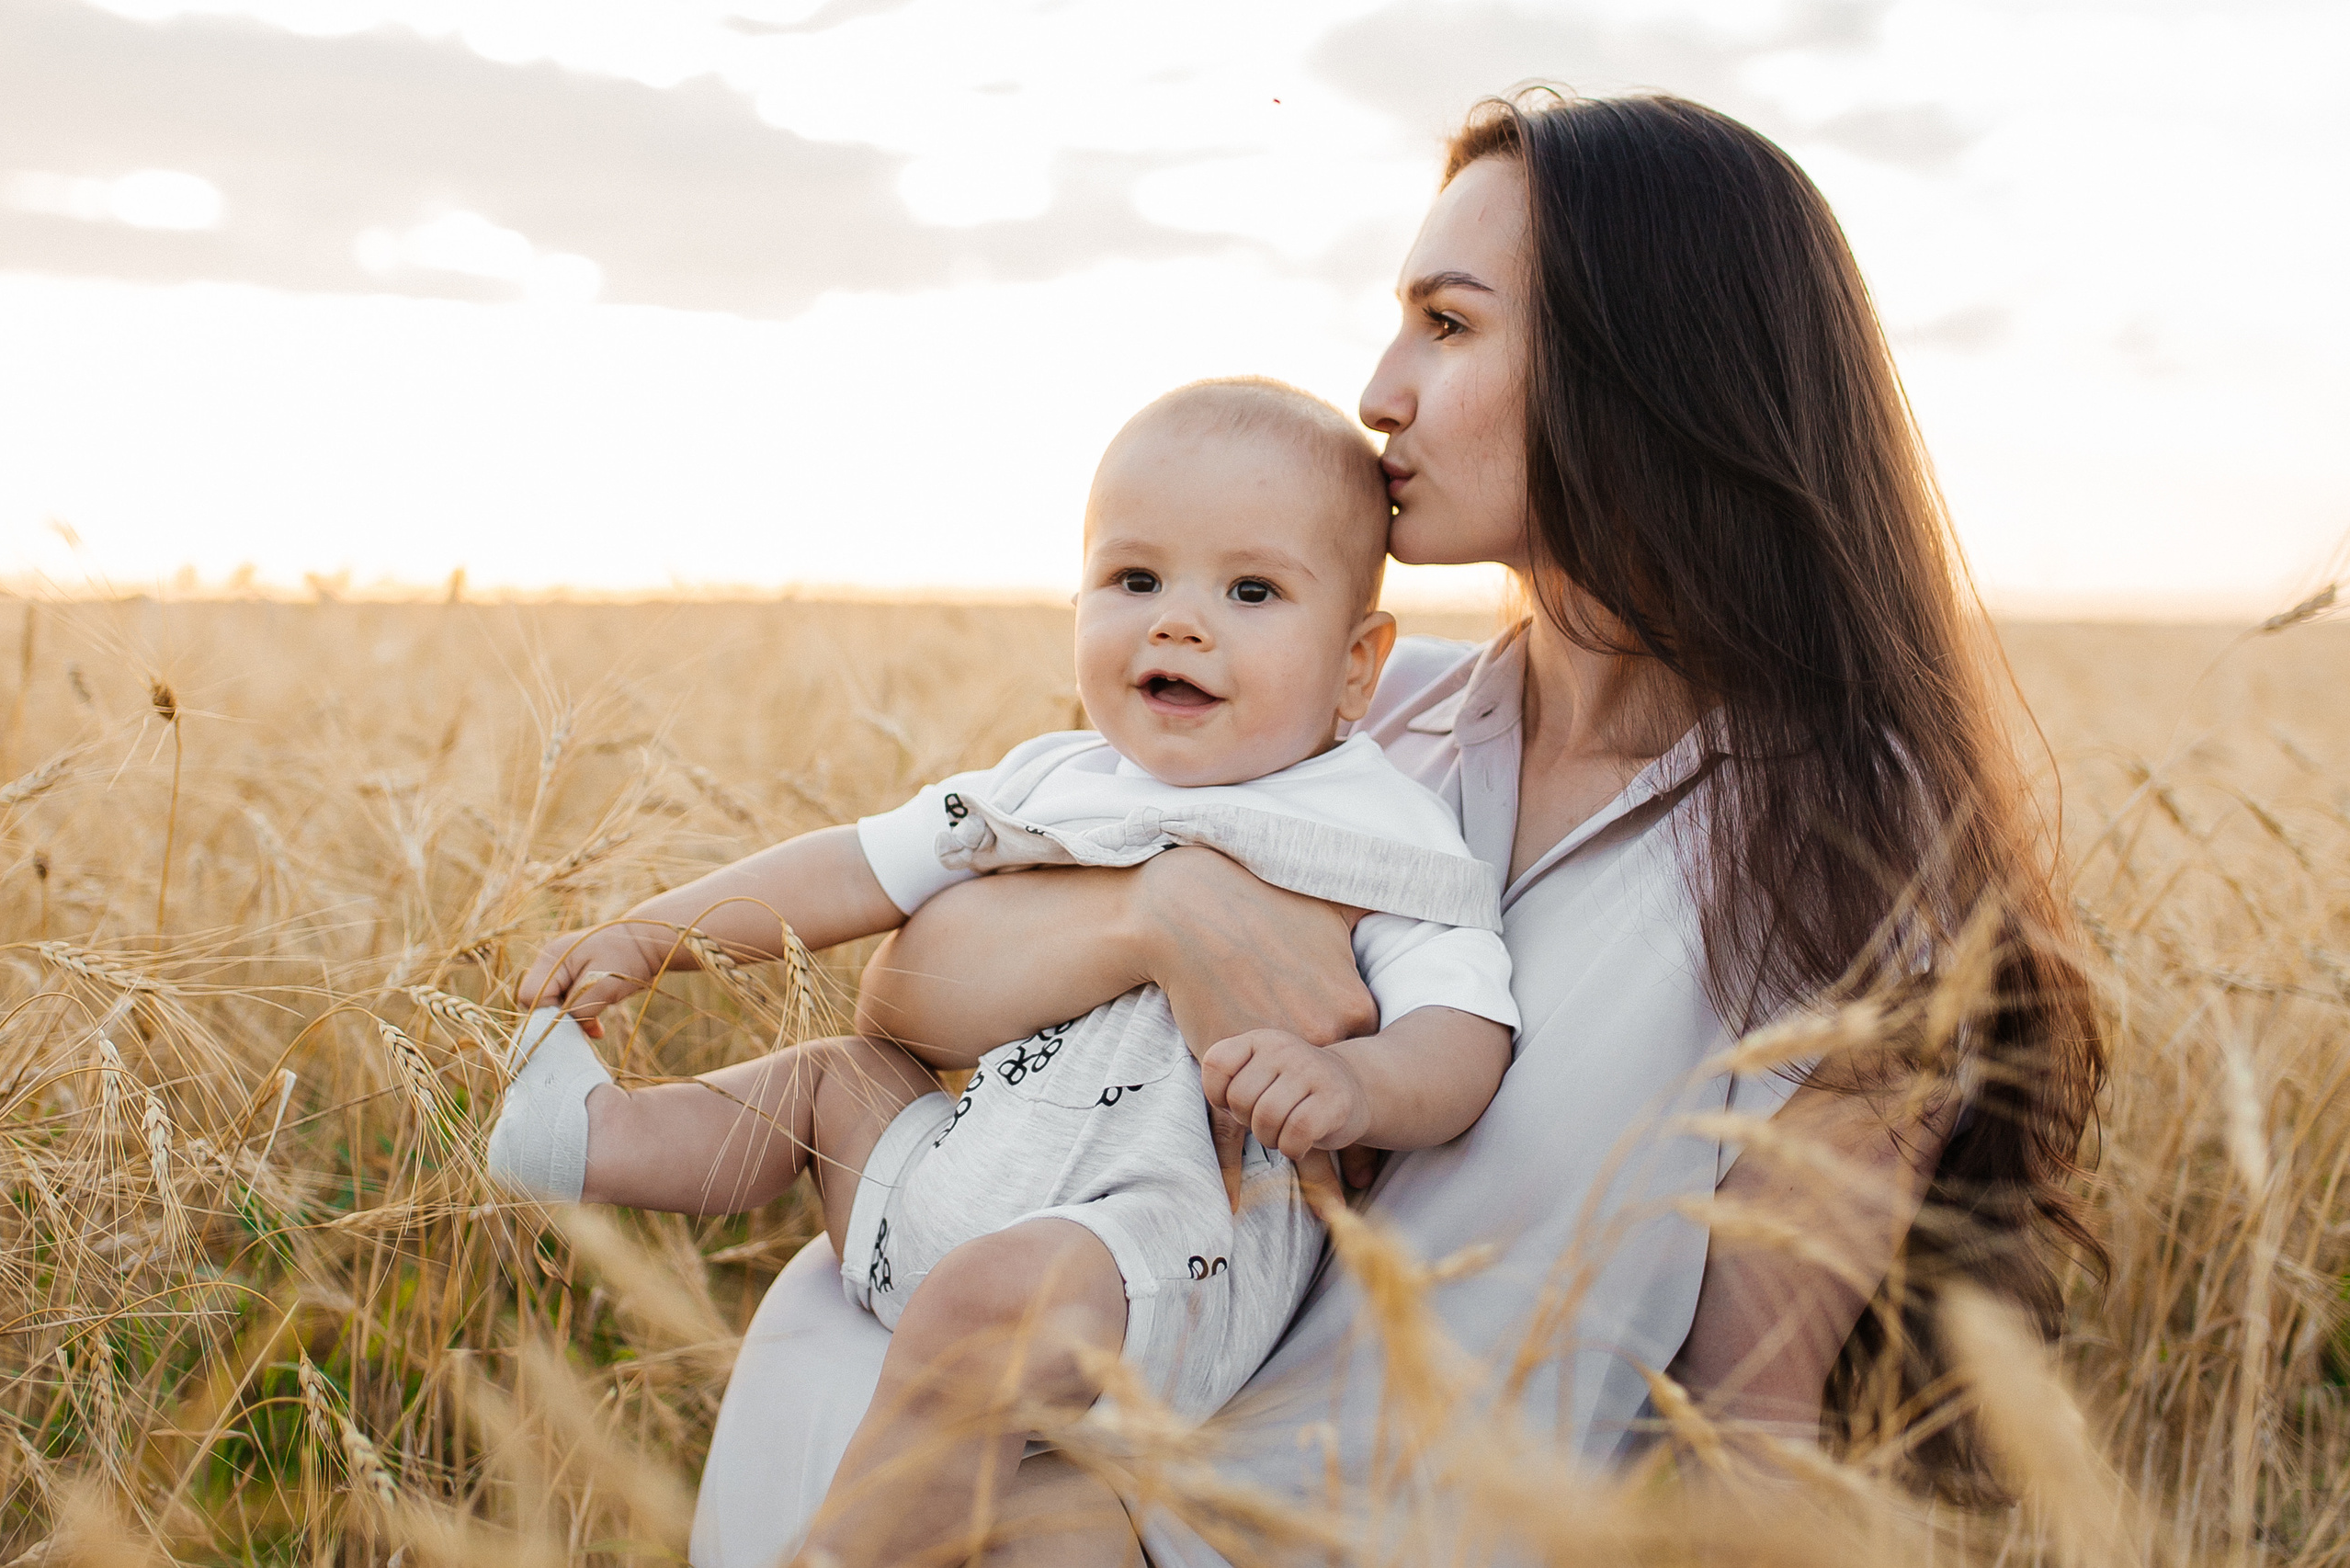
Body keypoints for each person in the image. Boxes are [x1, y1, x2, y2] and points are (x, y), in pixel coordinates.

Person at [688, 90, 2105, 1566]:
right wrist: (1151, 915)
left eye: (1447, 322)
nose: (1378, 390)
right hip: (945, 1454)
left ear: (1644, 357)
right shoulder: (1357, 722)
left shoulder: (1848, 849)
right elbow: (902, 998)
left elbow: (1755, 1425)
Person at [498, 378, 1523, 1565]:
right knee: (837, 1078)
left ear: (1357, 668)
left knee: (999, 1289)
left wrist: (1357, 1087)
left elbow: (1464, 1031)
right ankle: (590, 1135)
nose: (1178, 623)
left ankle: (850, 1547)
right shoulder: (1051, 780)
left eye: (1249, 591)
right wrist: (650, 935)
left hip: (1148, 1267)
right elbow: (855, 869)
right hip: (947, 1188)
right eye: (1135, 580)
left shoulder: (1373, 828)